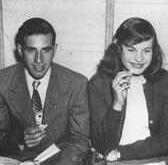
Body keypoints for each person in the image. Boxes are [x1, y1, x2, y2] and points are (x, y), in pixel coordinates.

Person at [0, 17, 89, 165]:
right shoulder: (3, 82)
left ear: (55, 49)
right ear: (21, 50)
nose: (39, 60)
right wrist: (20, 139)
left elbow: (80, 140)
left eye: (46, 50)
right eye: (31, 50)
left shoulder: (76, 84)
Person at [88, 17, 168, 161]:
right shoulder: (98, 83)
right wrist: (117, 105)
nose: (139, 59)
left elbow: (166, 140)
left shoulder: (164, 81)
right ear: (118, 48)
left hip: (153, 160)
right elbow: (102, 145)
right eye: (131, 50)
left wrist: (121, 154)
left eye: (146, 50)